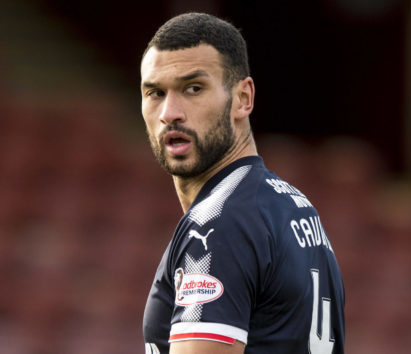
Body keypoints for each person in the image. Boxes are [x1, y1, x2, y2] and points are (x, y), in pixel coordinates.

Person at [140, 12, 345, 354]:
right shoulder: (292, 205)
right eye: (155, 92)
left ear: (243, 99)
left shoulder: (217, 225)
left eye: (193, 88)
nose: (169, 112)